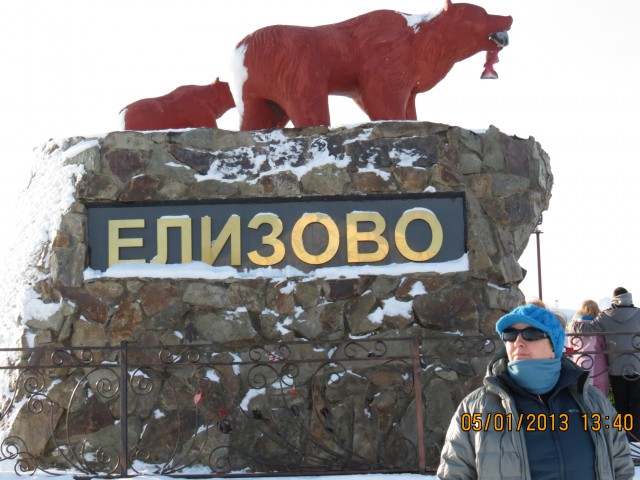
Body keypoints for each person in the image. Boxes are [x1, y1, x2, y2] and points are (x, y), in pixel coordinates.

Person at [437, 303, 633, 480]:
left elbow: (620, 463)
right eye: (510, 335)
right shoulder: (475, 408)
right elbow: (454, 473)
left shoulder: (592, 401)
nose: (519, 342)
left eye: (532, 334)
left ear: (554, 347)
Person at [568, 287, 640, 438]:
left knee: (620, 403)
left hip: (616, 368)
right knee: (637, 402)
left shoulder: (605, 316)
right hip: (637, 366)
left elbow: (585, 328)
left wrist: (573, 322)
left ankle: (622, 435)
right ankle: (636, 437)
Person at [567, 300, 609, 396]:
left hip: (579, 365)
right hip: (599, 367)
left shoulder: (573, 327)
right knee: (601, 397)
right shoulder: (599, 327)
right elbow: (605, 347)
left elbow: (570, 348)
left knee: (582, 395)